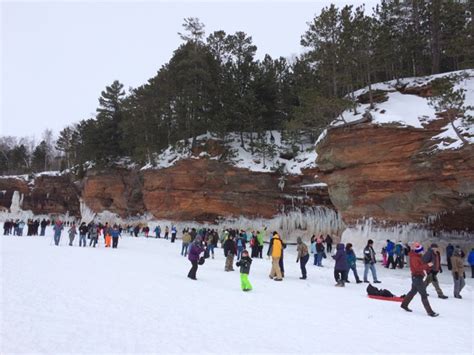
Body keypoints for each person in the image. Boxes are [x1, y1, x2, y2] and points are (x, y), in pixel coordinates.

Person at [400, 243, 439, 317]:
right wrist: (428, 265)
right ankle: (430, 312)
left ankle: (404, 305)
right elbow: (418, 268)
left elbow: (421, 265)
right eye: (421, 250)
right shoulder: (414, 257)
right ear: (418, 251)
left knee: (412, 292)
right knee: (423, 294)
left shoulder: (418, 256)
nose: (423, 252)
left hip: (417, 277)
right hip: (417, 277)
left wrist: (429, 267)